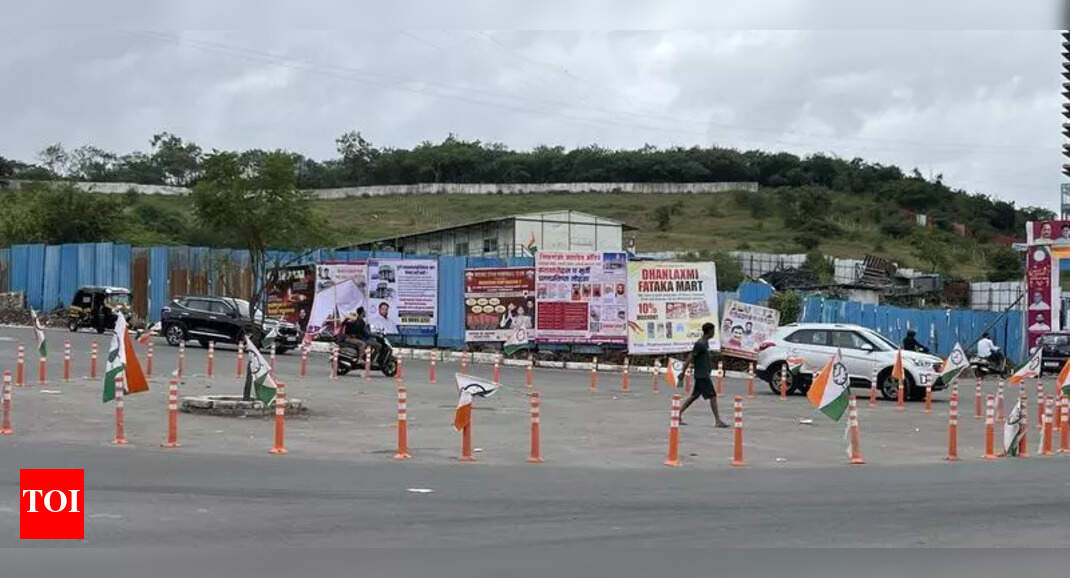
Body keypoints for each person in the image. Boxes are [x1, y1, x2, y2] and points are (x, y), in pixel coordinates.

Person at [677, 322, 729, 428]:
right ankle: (717, 420)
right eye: (713, 331)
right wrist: (683, 372)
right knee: (712, 396)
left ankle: (677, 414)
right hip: (702, 375)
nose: (714, 333)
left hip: (703, 374)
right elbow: (690, 357)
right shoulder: (700, 344)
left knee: (694, 396)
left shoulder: (705, 343)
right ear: (709, 331)